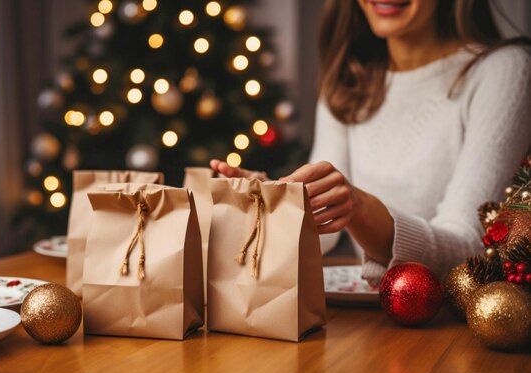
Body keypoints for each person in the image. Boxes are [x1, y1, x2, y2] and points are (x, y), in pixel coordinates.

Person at [210, 0, 531, 283]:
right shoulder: (349, 79)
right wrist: (278, 199)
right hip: (367, 324)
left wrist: (361, 209)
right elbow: (325, 233)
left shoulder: (504, 70)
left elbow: (467, 250)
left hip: (449, 334)